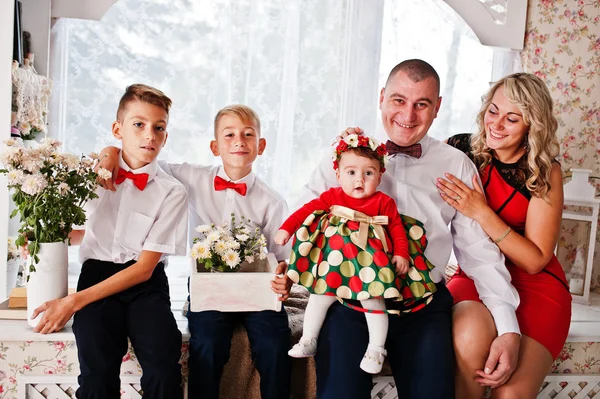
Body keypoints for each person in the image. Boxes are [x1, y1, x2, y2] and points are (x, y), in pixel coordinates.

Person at [300, 59, 521, 399]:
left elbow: (479, 252)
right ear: (381, 98)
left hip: (424, 304)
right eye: (399, 100)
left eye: (422, 104)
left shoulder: (456, 165)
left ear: (437, 108)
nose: (408, 115)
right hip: (351, 301)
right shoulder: (344, 154)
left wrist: (508, 329)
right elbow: (305, 218)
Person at [97, 104, 292, 399]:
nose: (238, 141)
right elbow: (145, 160)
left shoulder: (272, 200)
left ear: (260, 146)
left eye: (248, 135)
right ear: (214, 147)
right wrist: (109, 152)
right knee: (207, 344)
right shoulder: (192, 177)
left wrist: (283, 276)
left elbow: (280, 256)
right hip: (209, 284)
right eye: (229, 135)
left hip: (255, 289)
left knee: (275, 343)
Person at [30, 84, 188, 399]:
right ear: (118, 129)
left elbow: (144, 268)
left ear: (166, 136)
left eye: (159, 128)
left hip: (145, 283)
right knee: (97, 369)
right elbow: (83, 232)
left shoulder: (172, 192)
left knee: (163, 367)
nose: (150, 135)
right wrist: (41, 239)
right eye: (139, 124)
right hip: (96, 277)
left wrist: (72, 301)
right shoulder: (91, 176)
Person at [438, 72, 571, 398]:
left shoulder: (544, 170)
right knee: (470, 344)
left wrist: (480, 210)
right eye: (493, 111)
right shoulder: (460, 150)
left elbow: (535, 260)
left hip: (536, 287)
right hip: (475, 273)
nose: (496, 124)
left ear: (532, 125)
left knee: (509, 394)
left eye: (512, 118)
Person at [276, 134, 437, 374]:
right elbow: (306, 210)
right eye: (351, 172)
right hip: (335, 266)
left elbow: (396, 229)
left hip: (370, 267)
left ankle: (376, 348)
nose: (359, 179)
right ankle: (309, 339)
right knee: (319, 297)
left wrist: (402, 254)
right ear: (338, 174)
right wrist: (286, 228)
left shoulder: (383, 202)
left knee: (374, 301)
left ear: (380, 176)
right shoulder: (332, 196)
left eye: (368, 173)